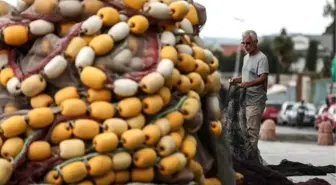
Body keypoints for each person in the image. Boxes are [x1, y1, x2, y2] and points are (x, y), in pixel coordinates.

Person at [229, 30, 269, 156]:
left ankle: (252, 159)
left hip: (256, 100)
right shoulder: (246, 57)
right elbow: (246, 77)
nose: (246, 46)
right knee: (243, 129)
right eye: (243, 43)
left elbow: (262, 77)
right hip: (244, 98)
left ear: (256, 42)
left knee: (252, 131)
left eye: (248, 43)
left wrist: (249, 84)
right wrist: (237, 80)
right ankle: (248, 156)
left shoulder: (262, 58)